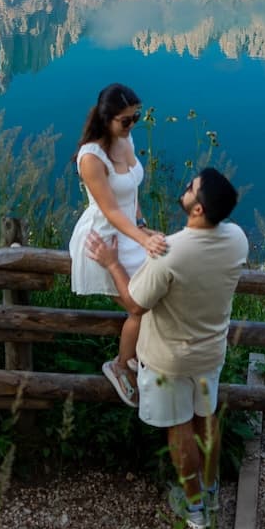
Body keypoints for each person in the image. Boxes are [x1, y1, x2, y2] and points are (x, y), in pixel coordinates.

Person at [88, 166, 246, 529]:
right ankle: (211, 491)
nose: (186, 186)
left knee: (180, 430)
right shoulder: (237, 239)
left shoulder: (170, 255)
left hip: (168, 361)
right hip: (210, 353)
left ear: (198, 209)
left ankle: (195, 508)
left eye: (192, 187)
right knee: (206, 419)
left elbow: (135, 303)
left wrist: (112, 263)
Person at [68, 82, 168, 407]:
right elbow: (110, 210)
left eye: (136, 117)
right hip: (104, 239)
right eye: (126, 120)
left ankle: (141, 357)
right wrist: (144, 239)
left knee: (158, 295)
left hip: (129, 232)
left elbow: (131, 190)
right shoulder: (91, 158)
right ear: (106, 118)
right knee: (138, 305)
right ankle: (121, 365)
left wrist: (141, 224)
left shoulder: (126, 139)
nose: (132, 124)